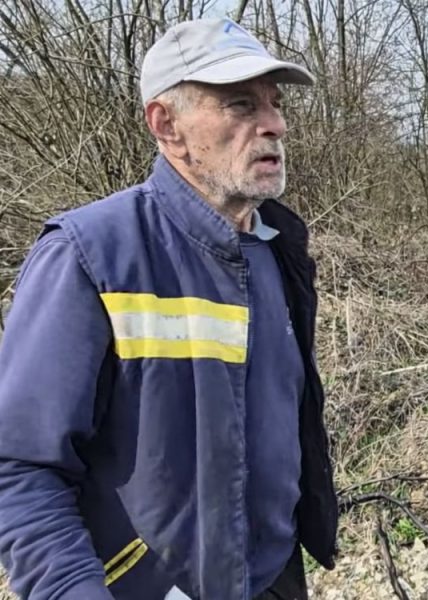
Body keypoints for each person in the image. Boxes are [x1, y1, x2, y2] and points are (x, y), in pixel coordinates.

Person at [0, 17, 338, 600]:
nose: (275, 125)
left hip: (275, 576)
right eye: (240, 104)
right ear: (166, 125)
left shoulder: (277, 250)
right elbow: (19, 468)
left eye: (275, 104)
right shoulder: (91, 255)